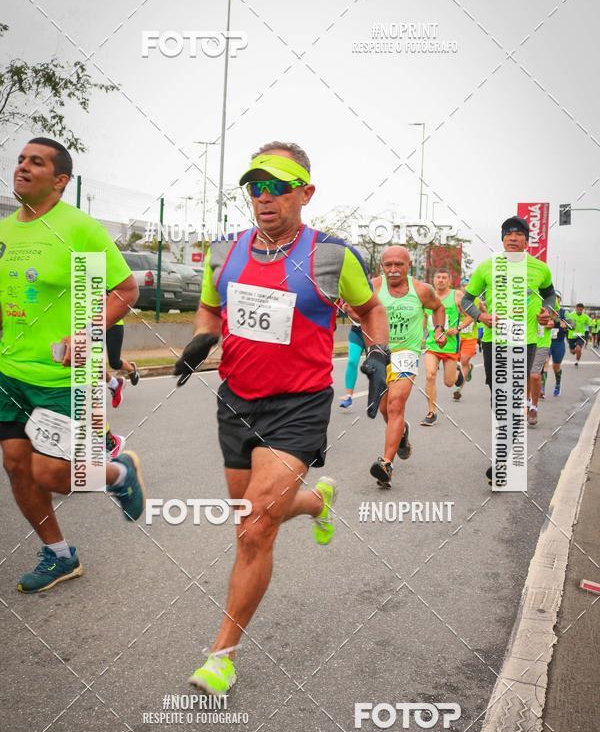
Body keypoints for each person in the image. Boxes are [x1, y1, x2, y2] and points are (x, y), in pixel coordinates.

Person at [174, 142, 389, 695]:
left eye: (277, 186)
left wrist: (381, 355)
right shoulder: (224, 253)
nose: (263, 197)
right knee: (248, 512)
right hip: (237, 400)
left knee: (254, 529)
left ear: (305, 193)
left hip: (299, 404)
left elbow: (370, 310)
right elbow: (210, 306)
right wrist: (203, 335)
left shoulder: (333, 257)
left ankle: (221, 655)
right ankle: (318, 500)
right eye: (255, 187)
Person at [0, 138, 147, 593]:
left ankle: (119, 472)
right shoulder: (7, 230)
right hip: (10, 373)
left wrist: (85, 331)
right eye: (21, 159)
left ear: (60, 181)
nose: (23, 167)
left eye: (36, 162)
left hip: (65, 376)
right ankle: (59, 555)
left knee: (51, 473)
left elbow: (125, 290)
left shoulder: (78, 228)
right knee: (16, 465)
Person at [461, 216, 556, 484]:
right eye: (508, 234)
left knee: (512, 395)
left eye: (518, 234)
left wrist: (547, 310)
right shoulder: (486, 268)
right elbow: (467, 300)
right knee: (498, 394)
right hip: (494, 340)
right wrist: (480, 317)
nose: (513, 238)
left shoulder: (540, 269)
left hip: (524, 341)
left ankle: (502, 460)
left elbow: (550, 295)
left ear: (527, 240)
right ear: (502, 239)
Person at [369, 246, 446, 486]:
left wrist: (439, 329)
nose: (393, 270)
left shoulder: (422, 290)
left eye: (398, 265)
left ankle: (386, 464)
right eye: (388, 265)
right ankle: (401, 434)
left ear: (408, 265)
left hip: (407, 353)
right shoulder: (373, 286)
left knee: (395, 404)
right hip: (380, 352)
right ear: (382, 266)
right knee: (383, 408)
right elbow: (358, 309)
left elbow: (438, 308)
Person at [420, 269, 464, 422]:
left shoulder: (456, 295)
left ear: (449, 281)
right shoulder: (427, 297)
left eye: (444, 277)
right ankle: (431, 412)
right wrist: (421, 337)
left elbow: (471, 315)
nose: (440, 280)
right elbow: (424, 318)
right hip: (432, 344)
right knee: (430, 375)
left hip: (450, 345)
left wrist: (457, 329)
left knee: (449, 382)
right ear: (433, 280)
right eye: (438, 277)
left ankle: (458, 374)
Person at [106, 318, 139, 408]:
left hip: (113, 324)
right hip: (92, 324)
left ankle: (131, 369)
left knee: (114, 363)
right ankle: (114, 383)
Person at [453, 298, 482, 401]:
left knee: (464, 360)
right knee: (455, 363)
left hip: (470, 337)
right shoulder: (455, 299)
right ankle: (469, 368)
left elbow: (480, 314)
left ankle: (458, 389)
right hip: (457, 336)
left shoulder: (477, 301)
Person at [339, 301, 366, 408]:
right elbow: (343, 312)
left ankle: (380, 395)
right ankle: (348, 396)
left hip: (372, 331)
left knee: (375, 365)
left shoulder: (372, 287)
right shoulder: (349, 291)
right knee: (352, 361)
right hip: (356, 332)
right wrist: (343, 310)